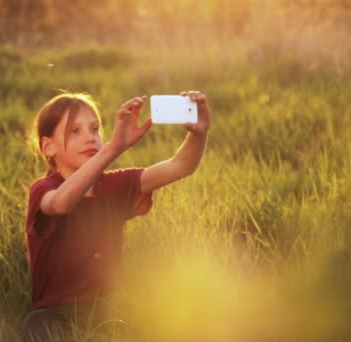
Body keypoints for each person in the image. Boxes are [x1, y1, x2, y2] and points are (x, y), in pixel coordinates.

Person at [22, 91, 211, 341]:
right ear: (48, 147)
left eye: (95, 128)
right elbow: (61, 203)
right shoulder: (44, 190)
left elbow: (180, 166)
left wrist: (199, 133)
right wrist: (113, 148)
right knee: (39, 327)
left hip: (106, 310)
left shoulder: (115, 185)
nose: (90, 138)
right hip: (56, 313)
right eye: (75, 131)